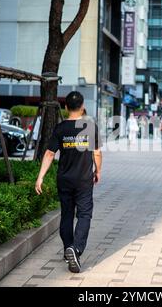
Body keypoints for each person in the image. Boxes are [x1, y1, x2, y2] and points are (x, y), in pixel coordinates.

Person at [35, 91, 102, 273]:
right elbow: (96, 153)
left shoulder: (61, 128)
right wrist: (98, 171)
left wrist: (40, 177)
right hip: (83, 180)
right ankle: (77, 249)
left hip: (64, 179)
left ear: (65, 108)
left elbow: (49, 153)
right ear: (82, 107)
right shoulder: (89, 127)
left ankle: (67, 249)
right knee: (84, 214)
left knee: (66, 215)